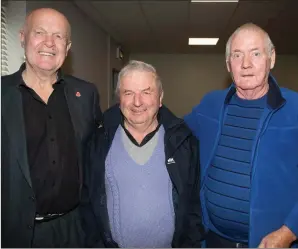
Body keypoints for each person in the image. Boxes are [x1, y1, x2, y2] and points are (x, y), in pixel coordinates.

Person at [184, 23, 298, 248]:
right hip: (213, 240)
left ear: (271, 58)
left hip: (271, 244)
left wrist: (290, 231)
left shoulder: (295, 109)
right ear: (228, 64)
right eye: (237, 55)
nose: (246, 64)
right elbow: (174, 133)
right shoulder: (211, 104)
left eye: (255, 53)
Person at [1, 8, 102, 247]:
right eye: (40, 32)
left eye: (58, 36)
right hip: (16, 233)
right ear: (22, 37)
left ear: (67, 48)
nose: (49, 42)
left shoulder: (86, 94)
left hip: (76, 229)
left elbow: (97, 155)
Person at [80, 60, 204, 248]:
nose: (137, 102)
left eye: (146, 92)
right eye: (128, 93)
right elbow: (88, 205)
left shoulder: (183, 142)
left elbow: (194, 205)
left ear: (160, 97)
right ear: (119, 99)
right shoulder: (98, 141)